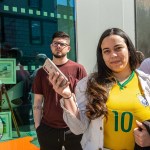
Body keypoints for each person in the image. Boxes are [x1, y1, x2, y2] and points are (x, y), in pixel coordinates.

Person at [48, 28, 150, 150]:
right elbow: (78, 128)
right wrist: (66, 95)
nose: (113, 55)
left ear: (129, 49)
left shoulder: (147, 82)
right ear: (101, 55)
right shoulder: (88, 85)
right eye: (106, 51)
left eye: (118, 48)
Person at [32, 31, 87, 150]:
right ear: (51, 47)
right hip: (48, 128)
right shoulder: (41, 72)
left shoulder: (78, 69)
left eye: (62, 44)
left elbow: (84, 99)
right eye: (55, 43)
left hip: (73, 127)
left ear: (68, 48)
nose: (58, 46)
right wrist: (37, 126)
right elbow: (37, 100)